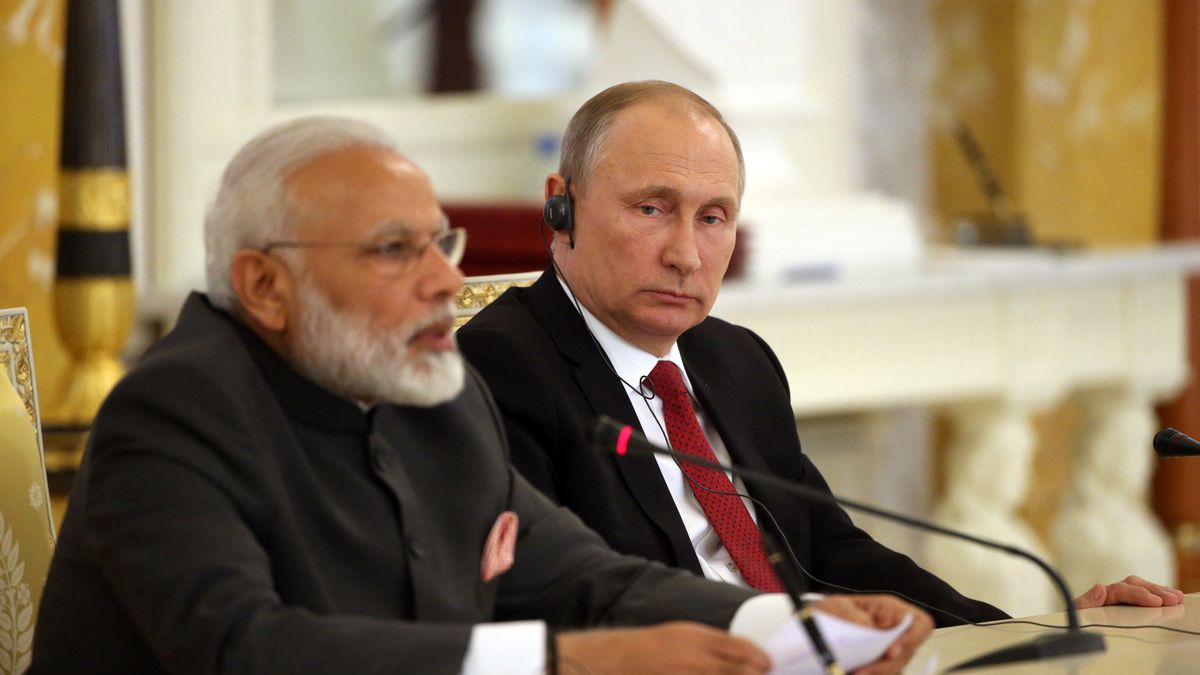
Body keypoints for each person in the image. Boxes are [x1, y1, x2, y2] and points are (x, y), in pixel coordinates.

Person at [30, 116, 932, 675]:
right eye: (394, 250)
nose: (442, 281)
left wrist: (794, 624)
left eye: (441, 241)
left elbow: (585, 577)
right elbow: (246, 649)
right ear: (264, 285)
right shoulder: (174, 411)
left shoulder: (431, 388)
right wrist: (561, 662)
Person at [457, 80, 1186, 627]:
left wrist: (1018, 633)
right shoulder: (500, 368)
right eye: (652, 208)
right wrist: (784, 637)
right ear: (561, 206)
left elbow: (833, 550)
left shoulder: (735, 360)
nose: (685, 253)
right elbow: (563, 594)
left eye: (713, 218)